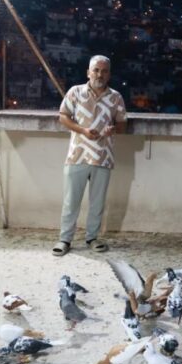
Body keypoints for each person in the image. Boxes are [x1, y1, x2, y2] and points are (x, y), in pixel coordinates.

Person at [52, 55, 126, 256]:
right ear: (88, 72)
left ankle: (92, 238)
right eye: (96, 70)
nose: (99, 74)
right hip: (77, 154)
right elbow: (63, 117)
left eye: (104, 71)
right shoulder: (75, 92)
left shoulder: (116, 97)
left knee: (97, 201)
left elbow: (122, 122)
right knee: (71, 200)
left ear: (109, 74)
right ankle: (64, 239)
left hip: (103, 155)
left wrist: (113, 128)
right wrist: (82, 130)